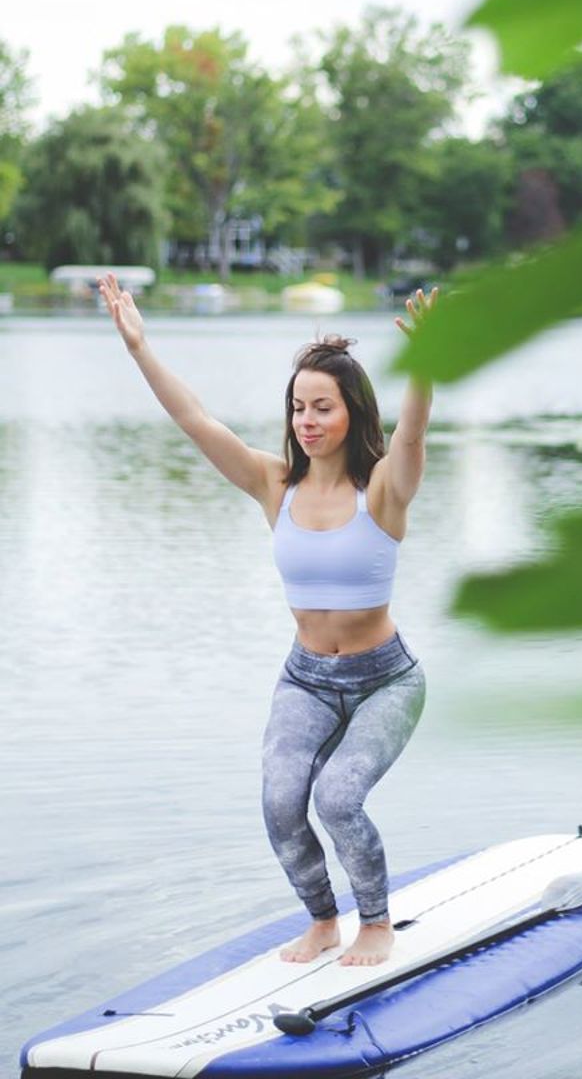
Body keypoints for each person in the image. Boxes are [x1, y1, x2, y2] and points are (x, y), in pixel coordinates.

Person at [97, 271, 437, 968]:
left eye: (322, 408)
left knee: (338, 799)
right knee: (282, 802)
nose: (307, 422)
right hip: (306, 678)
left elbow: (410, 441)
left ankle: (375, 923)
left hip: (385, 682)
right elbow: (195, 420)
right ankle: (321, 922)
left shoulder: (381, 492)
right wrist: (139, 348)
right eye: (297, 409)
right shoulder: (271, 484)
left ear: (353, 414)